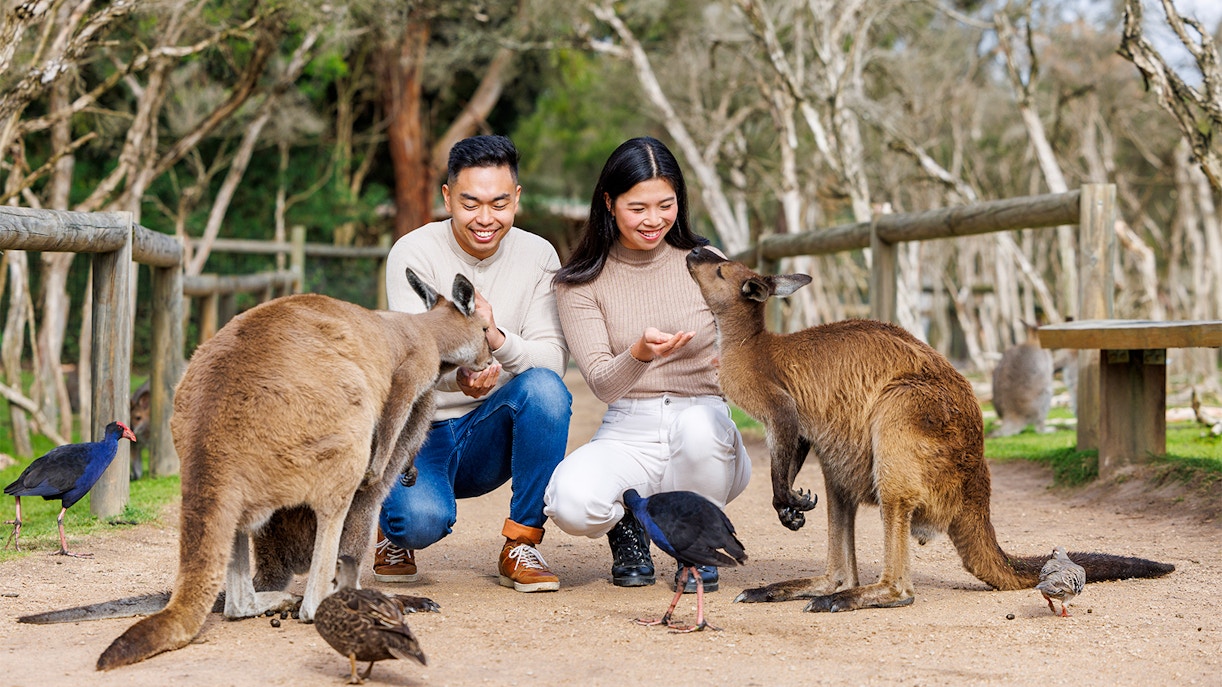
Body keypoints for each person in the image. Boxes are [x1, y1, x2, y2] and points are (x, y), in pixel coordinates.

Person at [543, 136, 751, 593]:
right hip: (628, 428)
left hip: (703, 424)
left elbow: (745, 345)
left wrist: (734, 361)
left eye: (666, 205)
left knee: (699, 429)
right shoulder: (579, 283)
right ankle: (629, 520)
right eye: (638, 208)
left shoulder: (709, 264)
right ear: (609, 202)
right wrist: (638, 353)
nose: (654, 220)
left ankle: (697, 545)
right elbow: (602, 384)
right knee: (570, 503)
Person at [376, 135, 572, 593]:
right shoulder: (413, 252)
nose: (485, 218)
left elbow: (552, 359)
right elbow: (409, 360)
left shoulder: (539, 255)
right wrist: (459, 379)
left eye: (499, 203)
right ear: (447, 197)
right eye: (470, 203)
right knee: (419, 523)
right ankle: (393, 528)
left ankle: (521, 543)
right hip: (422, 430)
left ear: (516, 198)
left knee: (546, 390)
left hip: (489, 431)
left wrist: (495, 337)